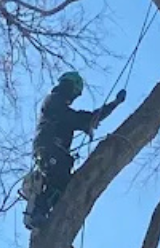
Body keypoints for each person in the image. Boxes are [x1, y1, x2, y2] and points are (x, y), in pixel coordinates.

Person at [23, 71, 126, 231]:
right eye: (74, 93)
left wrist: (113, 105)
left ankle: (53, 227)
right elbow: (76, 118)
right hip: (50, 147)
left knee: (62, 188)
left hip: (56, 151)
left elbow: (84, 118)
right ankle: (38, 213)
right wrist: (86, 123)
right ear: (68, 87)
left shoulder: (59, 104)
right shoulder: (53, 101)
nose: (73, 98)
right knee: (56, 179)